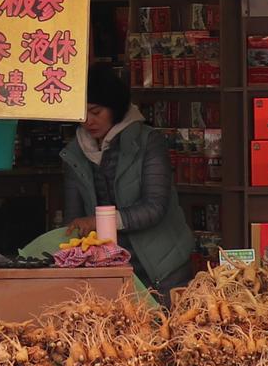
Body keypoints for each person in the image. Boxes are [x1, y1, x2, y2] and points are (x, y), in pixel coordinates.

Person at [57, 72, 201, 298]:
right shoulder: (75, 152)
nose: (88, 121)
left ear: (115, 109)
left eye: (96, 112)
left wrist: (100, 222)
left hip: (162, 262)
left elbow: (155, 207)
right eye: (82, 114)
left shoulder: (148, 141)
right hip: (107, 265)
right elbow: (73, 219)